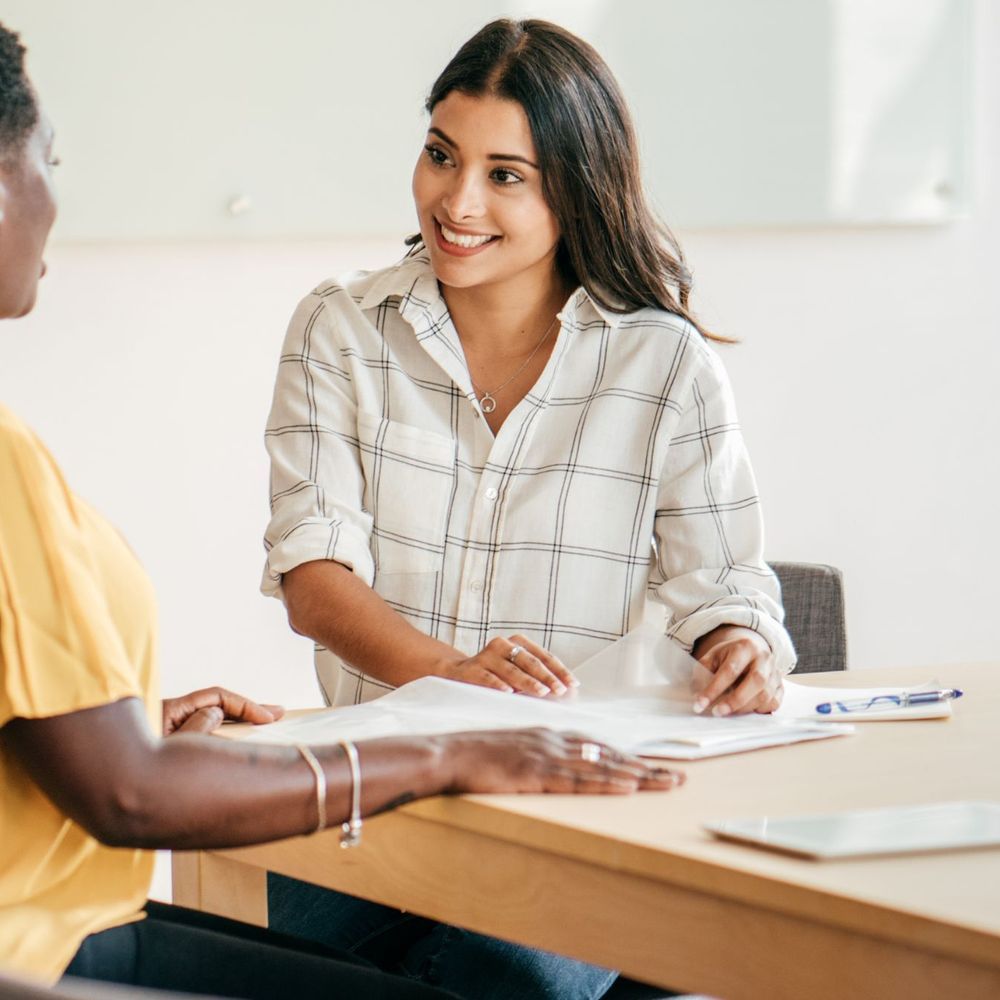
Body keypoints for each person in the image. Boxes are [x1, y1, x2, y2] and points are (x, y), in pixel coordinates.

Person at [0, 21, 683, 1000]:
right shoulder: (9, 461)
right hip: (43, 945)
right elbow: (129, 797)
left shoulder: (659, 360)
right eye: (48, 160)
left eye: (506, 174)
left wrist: (107, 726)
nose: (58, 198)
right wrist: (445, 750)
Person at [261, 16, 794, 1000]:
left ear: (576, 188)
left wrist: (738, 641)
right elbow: (313, 580)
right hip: (375, 802)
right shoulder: (341, 327)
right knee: (286, 971)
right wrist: (454, 682)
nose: (456, 201)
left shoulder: (663, 363)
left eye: (506, 174)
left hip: (576, 815)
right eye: (440, 155)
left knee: (494, 980)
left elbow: (724, 583)